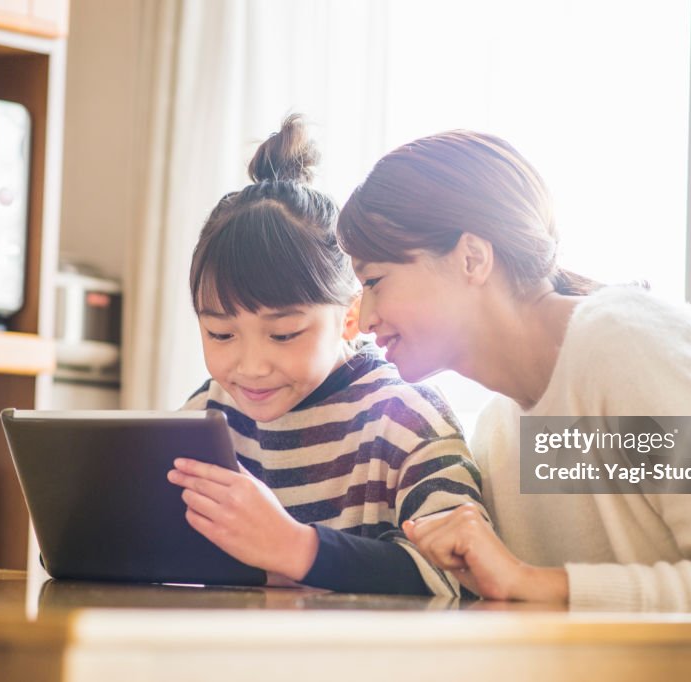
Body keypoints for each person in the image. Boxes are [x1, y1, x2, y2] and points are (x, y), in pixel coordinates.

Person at [335, 130, 691, 680]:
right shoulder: (503, 431)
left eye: (376, 280)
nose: (361, 315)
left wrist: (537, 582)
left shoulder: (623, 346)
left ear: (472, 259)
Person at [166, 115, 485, 597]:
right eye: (220, 334)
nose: (250, 366)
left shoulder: (404, 421)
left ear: (350, 316)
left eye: (284, 334)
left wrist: (297, 549)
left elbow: (464, 577)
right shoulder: (206, 418)